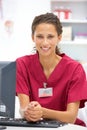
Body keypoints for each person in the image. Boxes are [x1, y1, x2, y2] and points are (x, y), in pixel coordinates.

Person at [16, 12, 87, 127]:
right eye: (39, 36)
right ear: (32, 37)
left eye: (50, 36)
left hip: (67, 127)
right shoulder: (22, 64)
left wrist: (42, 112)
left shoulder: (74, 69)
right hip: (35, 126)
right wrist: (28, 112)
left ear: (59, 38)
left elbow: (71, 117)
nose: (45, 42)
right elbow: (23, 109)